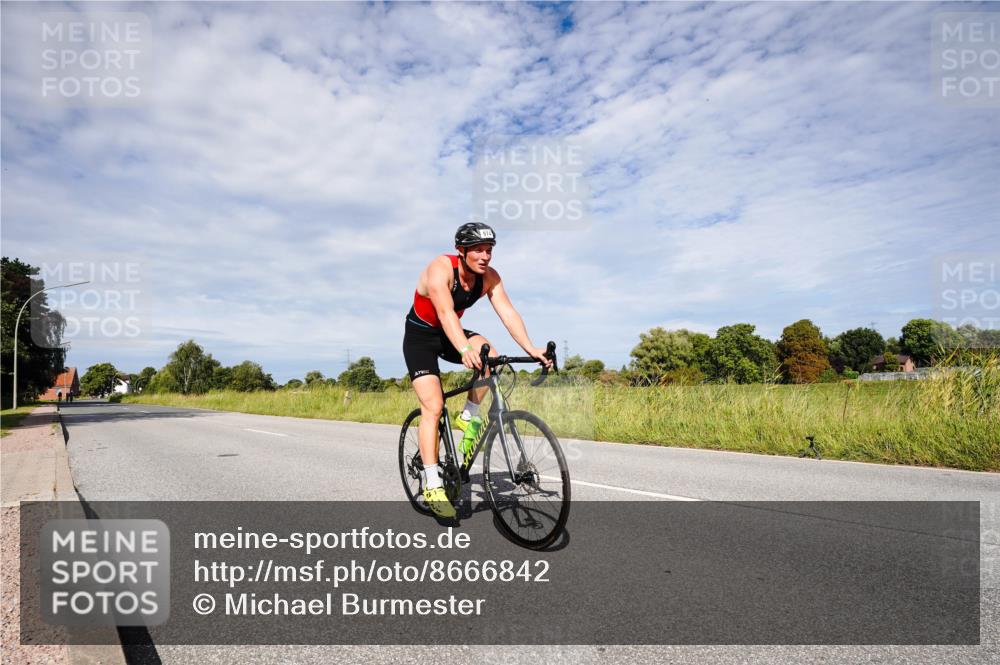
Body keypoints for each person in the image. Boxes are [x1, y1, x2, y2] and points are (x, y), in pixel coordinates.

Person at [403, 222, 552, 518]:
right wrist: (464, 349)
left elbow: (508, 313)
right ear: (461, 251)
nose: (485, 256)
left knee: (492, 356)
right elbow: (445, 313)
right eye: (478, 250)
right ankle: (433, 484)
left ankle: (469, 412)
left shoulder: (490, 278)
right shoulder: (440, 269)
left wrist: (531, 349)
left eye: (489, 250)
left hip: (450, 333)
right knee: (433, 406)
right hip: (421, 337)